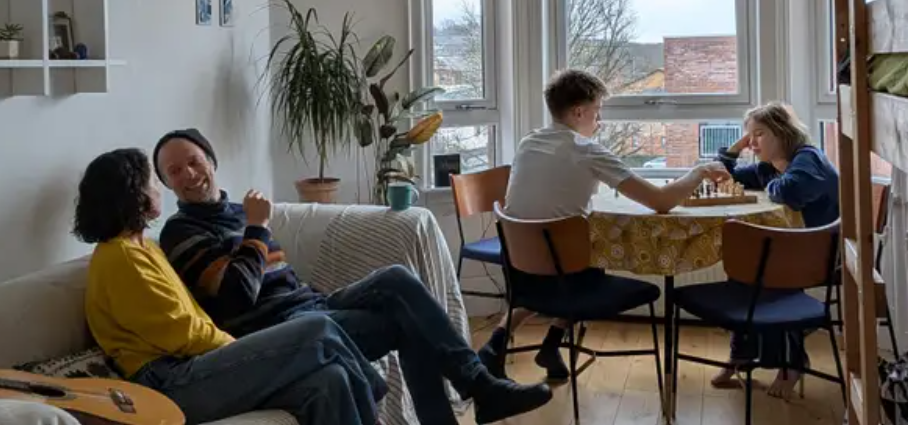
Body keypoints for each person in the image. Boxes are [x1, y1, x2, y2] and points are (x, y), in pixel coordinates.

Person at [152, 128, 553, 425]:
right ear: (168, 184)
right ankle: (478, 391)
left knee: (397, 279)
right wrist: (257, 228)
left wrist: (255, 225)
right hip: (279, 332)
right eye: (174, 171)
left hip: (312, 305)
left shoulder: (242, 211)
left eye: (194, 161)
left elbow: (278, 278)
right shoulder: (181, 232)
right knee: (409, 323)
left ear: (211, 160)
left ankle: (478, 383)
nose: (188, 174)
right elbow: (237, 296)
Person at [74, 148, 388, 425]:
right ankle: (375, 405)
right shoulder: (121, 258)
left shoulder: (143, 248)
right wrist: (240, 348)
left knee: (329, 380)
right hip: (167, 382)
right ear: (133, 193)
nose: (158, 188)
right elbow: (182, 333)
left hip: (188, 367)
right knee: (318, 330)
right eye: (153, 181)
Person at [477, 69, 731, 382]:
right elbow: (661, 201)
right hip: (572, 281)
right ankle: (550, 343)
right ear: (578, 112)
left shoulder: (528, 142)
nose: (600, 120)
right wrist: (699, 171)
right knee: (587, 262)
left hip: (522, 272)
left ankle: (504, 347)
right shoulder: (586, 150)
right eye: (597, 111)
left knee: (559, 273)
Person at [712, 100, 840, 398]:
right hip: (795, 251)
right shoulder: (769, 166)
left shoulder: (808, 156)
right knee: (745, 269)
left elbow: (791, 191)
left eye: (760, 134)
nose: (752, 142)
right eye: (750, 135)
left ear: (783, 133)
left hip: (824, 253)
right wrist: (735, 148)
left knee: (766, 274)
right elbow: (723, 176)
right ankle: (742, 356)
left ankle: (791, 363)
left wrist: (770, 184)